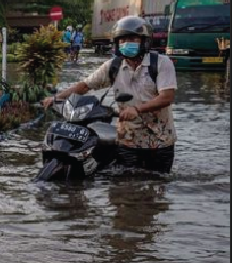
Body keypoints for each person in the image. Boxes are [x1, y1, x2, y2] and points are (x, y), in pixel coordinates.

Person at [43, 15, 177, 174]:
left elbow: (166, 97)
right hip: (127, 140)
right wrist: (57, 98)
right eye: (122, 40)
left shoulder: (161, 63)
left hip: (159, 142)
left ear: (145, 41)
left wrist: (137, 109)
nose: (127, 43)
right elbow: (85, 85)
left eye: (133, 39)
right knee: (121, 190)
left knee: (157, 186)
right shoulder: (114, 66)